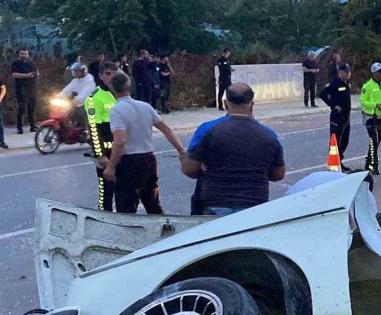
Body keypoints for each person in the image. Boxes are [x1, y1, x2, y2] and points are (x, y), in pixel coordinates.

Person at [181, 83, 285, 216]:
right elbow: (278, 174)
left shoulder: (208, 130)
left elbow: (190, 170)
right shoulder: (269, 135)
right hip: (254, 205)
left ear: (225, 104)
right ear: (252, 104)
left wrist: (185, 159)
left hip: (215, 204)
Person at [103, 71, 186, 214]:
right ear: (129, 86)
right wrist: (181, 150)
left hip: (129, 162)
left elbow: (120, 141)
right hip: (148, 159)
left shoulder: (116, 110)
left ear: (112, 88)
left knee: (126, 207)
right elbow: (166, 129)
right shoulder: (145, 106)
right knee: (153, 203)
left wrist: (110, 166)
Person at [86, 62, 118, 212]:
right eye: (108, 74)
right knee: (105, 191)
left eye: (114, 73)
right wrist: (100, 155)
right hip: (107, 151)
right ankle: (103, 216)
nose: (111, 77)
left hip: (122, 150)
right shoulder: (94, 98)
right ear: (100, 76)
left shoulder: (120, 93)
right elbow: (94, 129)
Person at [320, 62, 352, 170]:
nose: (348, 74)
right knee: (335, 141)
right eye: (345, 72)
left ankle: (339, 161)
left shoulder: (346, 83)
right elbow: (323, 94)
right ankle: (333, 164)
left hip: (346, 118)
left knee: (345, 141)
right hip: (337, 117)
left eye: (349, 72)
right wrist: (333, 105)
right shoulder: (335, 83)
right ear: (340, 72)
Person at [10, 48, 38, 134]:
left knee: (32, 108)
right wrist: (26, 75)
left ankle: (33, 126)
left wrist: (35, 74)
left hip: (32, 88)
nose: (24, 55)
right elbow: (14, 74)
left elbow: (36, 72)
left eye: (25, 54)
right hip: (21, 88)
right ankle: (19, 127)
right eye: (22, 54)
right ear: (19, 54)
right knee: (22, 108)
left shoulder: (31, 63)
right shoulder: (16, 63)